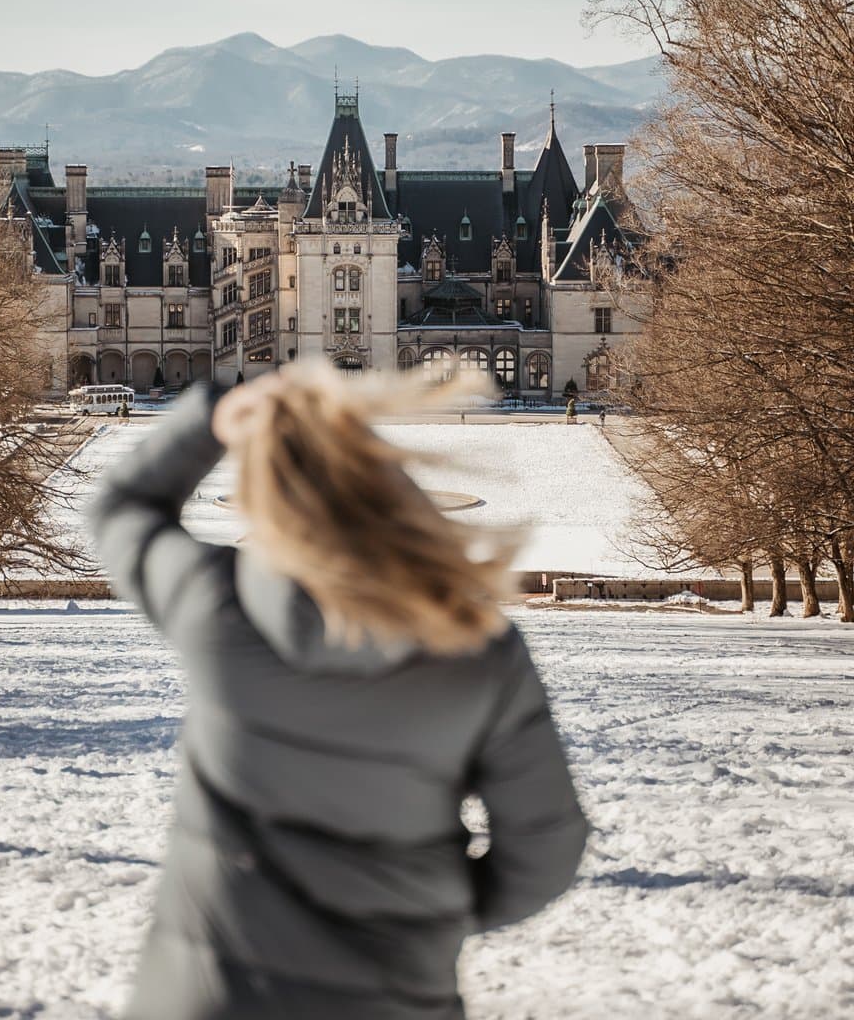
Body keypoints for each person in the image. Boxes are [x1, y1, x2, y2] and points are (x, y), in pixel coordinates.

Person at [90, 365, 587, 1020]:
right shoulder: (480, 650)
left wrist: (216, 414)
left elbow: (121, 508)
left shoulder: (218, 606)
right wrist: (435, 905)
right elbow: (546, 851)